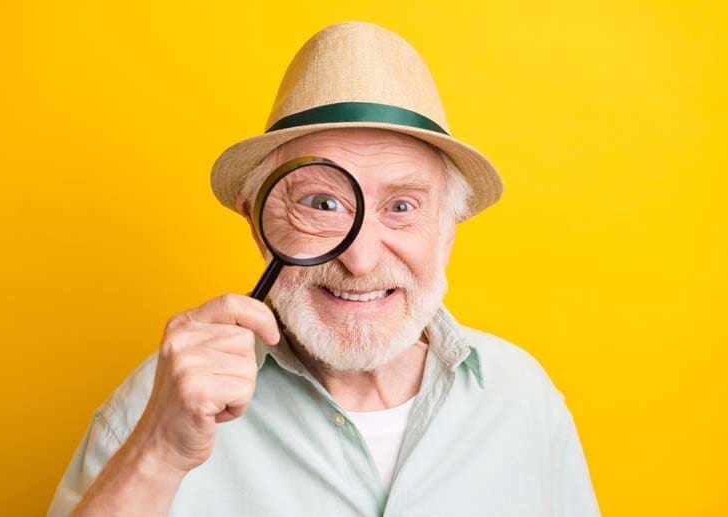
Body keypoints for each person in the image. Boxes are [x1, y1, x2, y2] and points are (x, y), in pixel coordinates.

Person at [49, 21, 600, 516]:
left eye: (402, 207)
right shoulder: (156, 406)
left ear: (448, 227)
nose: (359, 259)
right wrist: (157, 453)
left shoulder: (522, 398)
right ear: (257, 220)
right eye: (321, 204)